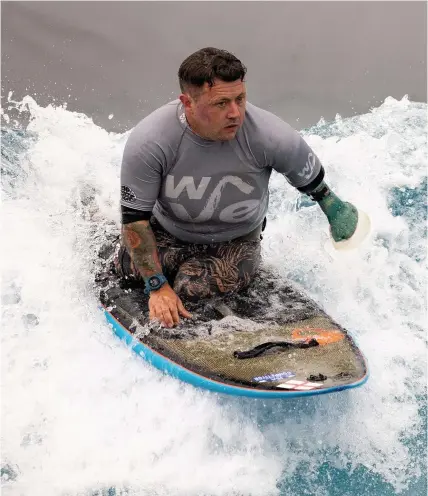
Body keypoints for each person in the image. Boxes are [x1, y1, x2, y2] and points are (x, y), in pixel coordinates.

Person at [115, 47, 358, 328]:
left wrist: (338, 215)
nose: (235, 113)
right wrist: (156, 287)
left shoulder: (271, 136)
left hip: (233, 243)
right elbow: (135, 220)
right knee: (127, 268)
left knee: (191, 286)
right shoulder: (151, 141)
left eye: (240, 99)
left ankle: (228, 291)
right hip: (168, 232)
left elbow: (318, 187)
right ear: (187, 103)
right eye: (221, 103)